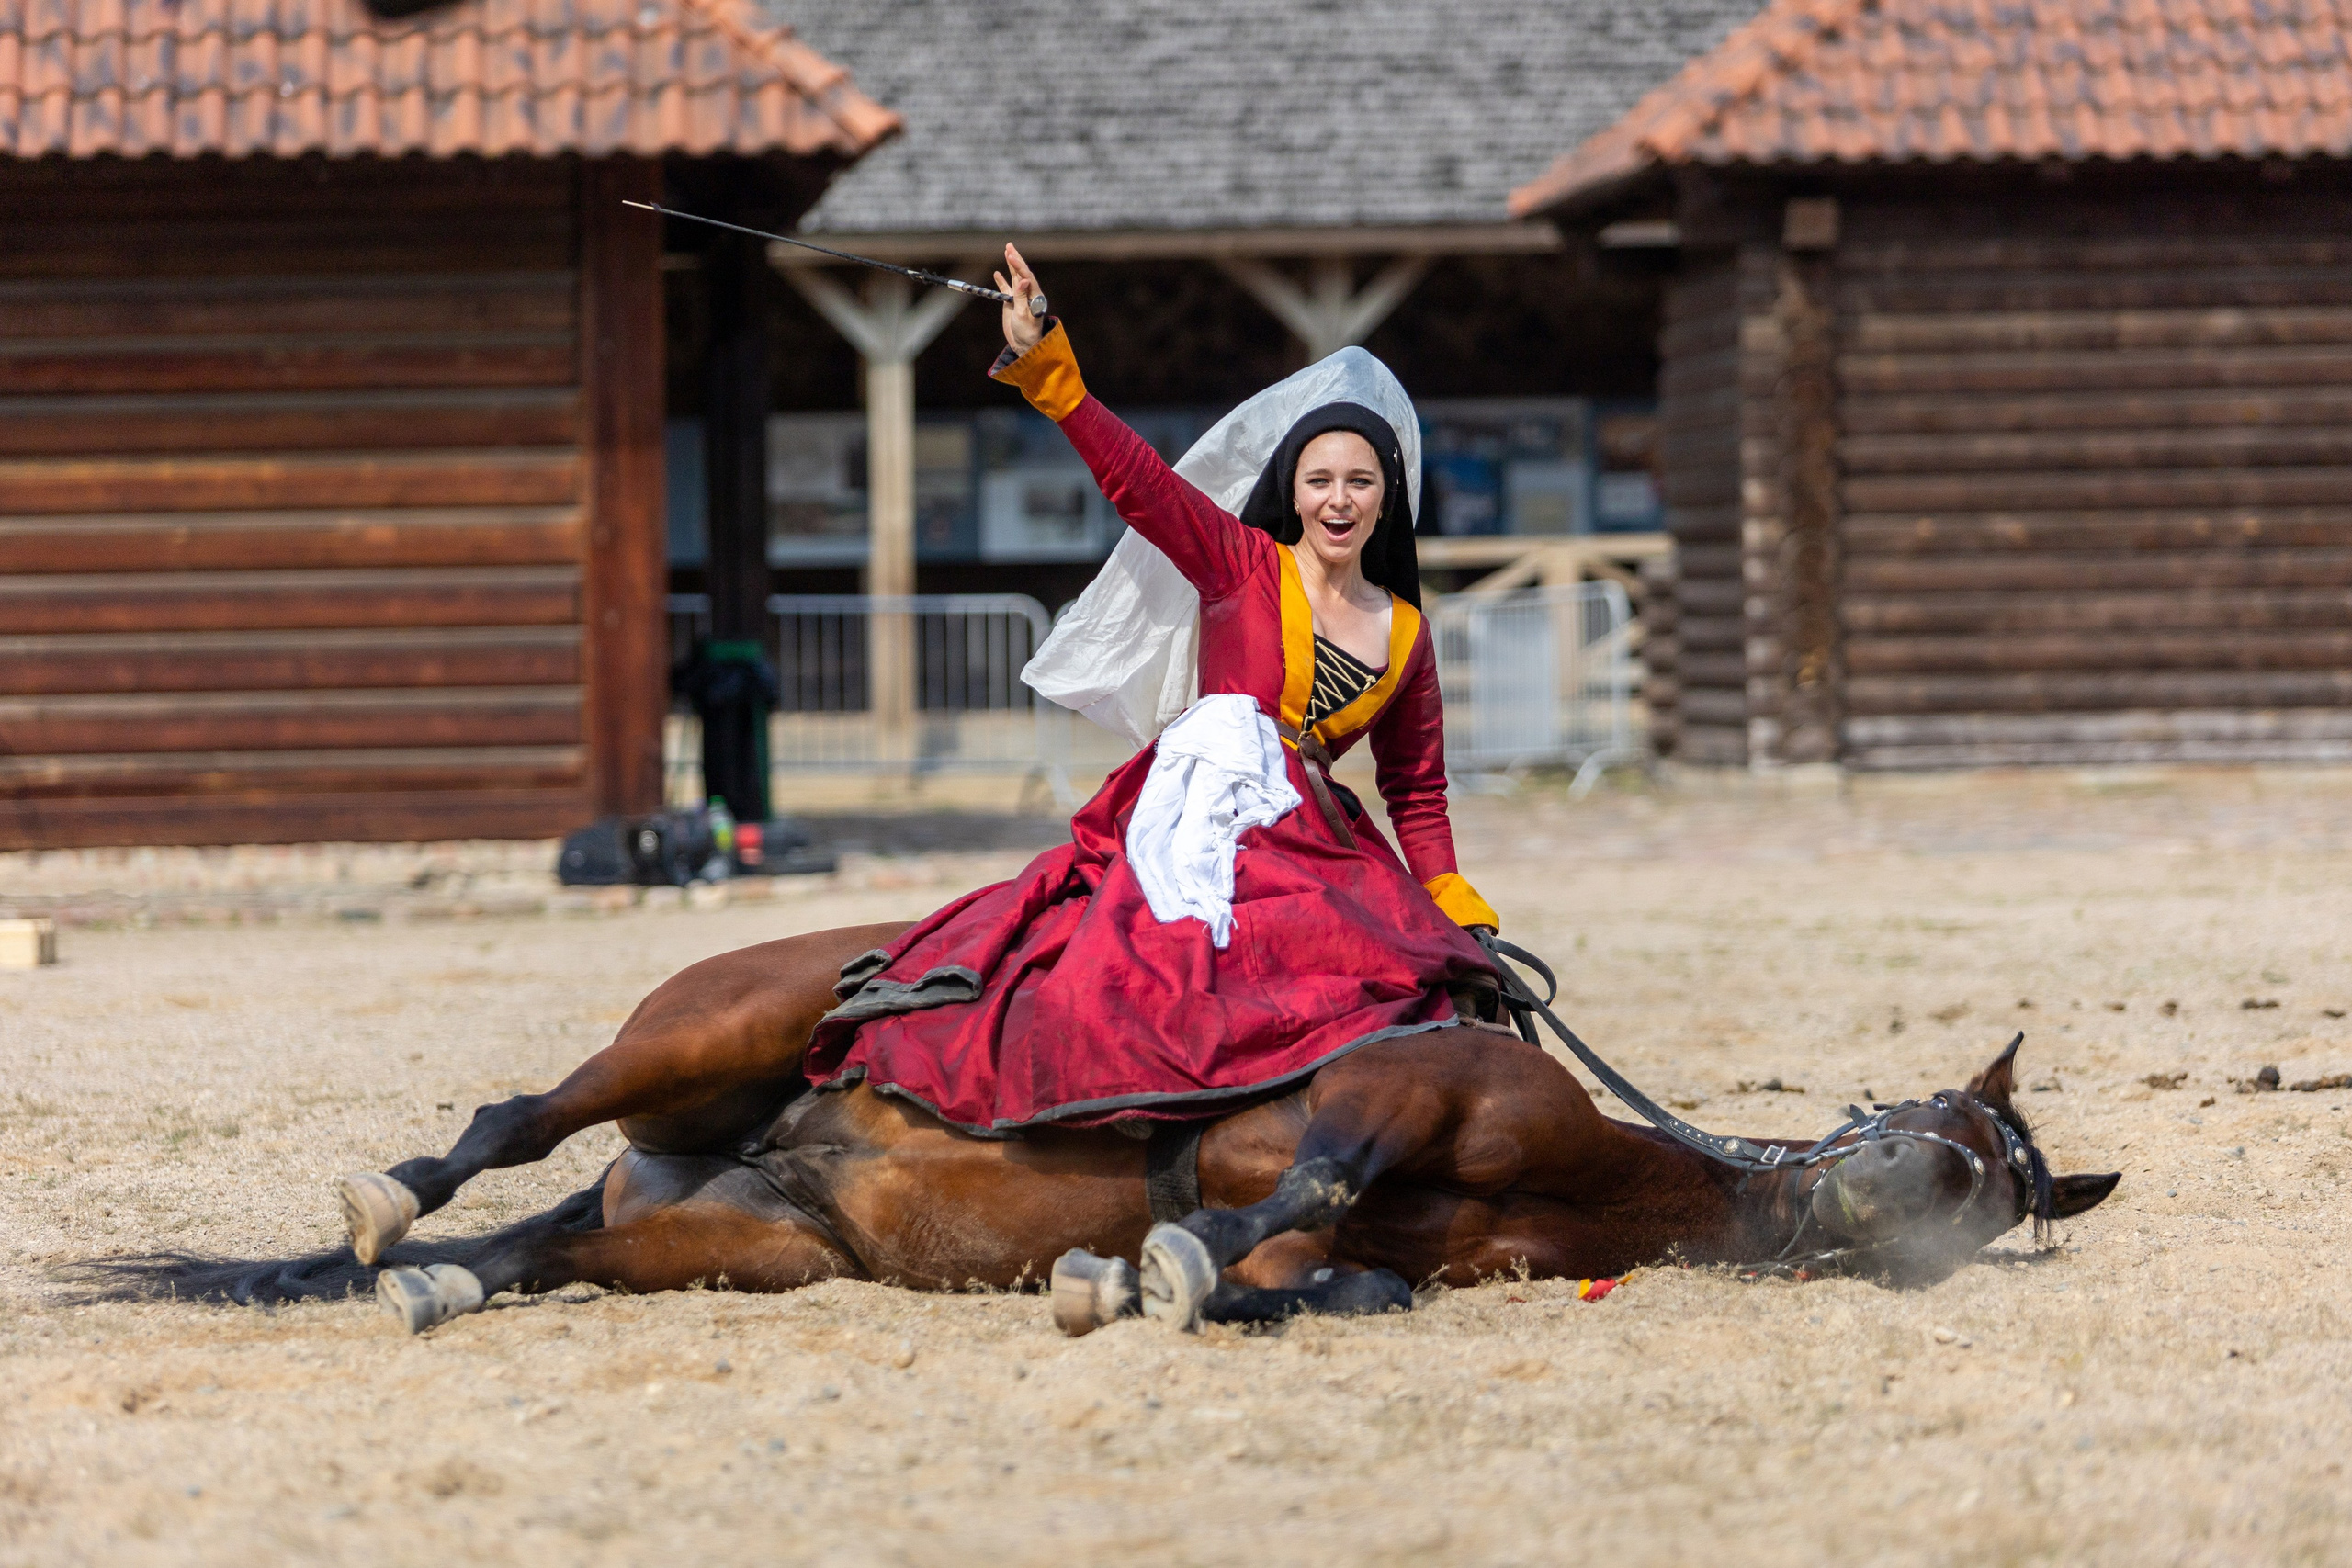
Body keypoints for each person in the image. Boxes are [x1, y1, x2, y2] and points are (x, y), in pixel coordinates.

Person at [800, 244, 1501, 1135]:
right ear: (1292, 489)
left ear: (1385, 495)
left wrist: (1446, 893)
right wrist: (1052, 372)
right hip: (1205, 813)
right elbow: (1141, 485)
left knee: (1408, 993)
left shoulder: (1407, 631)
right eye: (1318, 479)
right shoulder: (1241, 565)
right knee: (1148, 973)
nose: (1338, 498)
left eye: (1359, 481)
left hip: (1319, 836)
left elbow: (1416, 787)